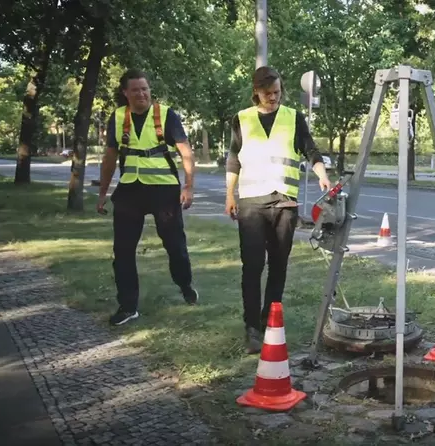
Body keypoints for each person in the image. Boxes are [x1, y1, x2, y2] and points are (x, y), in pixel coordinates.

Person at [225, 66, 331, 354]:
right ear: (256, 92)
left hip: (285, 203)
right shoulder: (242, 119)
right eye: (267, 93)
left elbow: (311, 150)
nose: (273, 98)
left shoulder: (293, 118)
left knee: (279, 266)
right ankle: (251, 328)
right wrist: (229, 194)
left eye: (277, 93)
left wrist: (321, 174)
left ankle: (269, 320)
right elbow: (234, 159)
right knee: (252, 267)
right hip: (251, 204)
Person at [97, 68, 199, 326]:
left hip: (164, 190)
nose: (141, 93)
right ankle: (128, 305)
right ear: (126, 93)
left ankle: (185, 283)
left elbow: (186, 152)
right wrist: (103, 193)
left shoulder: (165, 115)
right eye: (135, 90)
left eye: (145, 89)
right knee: (122, 250)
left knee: (174, 244)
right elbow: (109, 158)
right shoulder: (119, 117)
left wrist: (188, 187)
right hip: (130, 190)